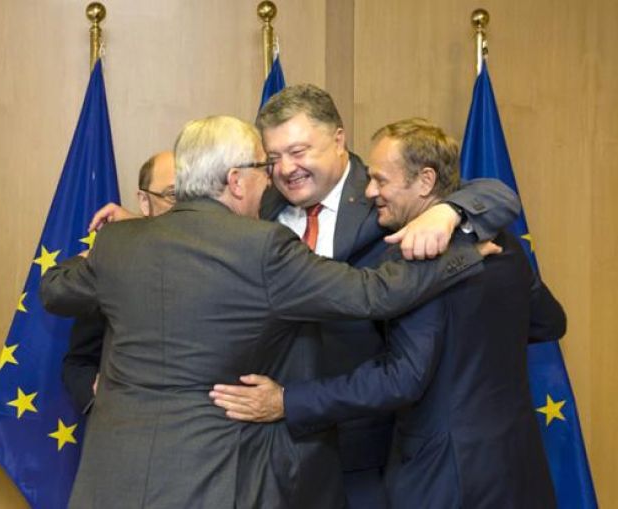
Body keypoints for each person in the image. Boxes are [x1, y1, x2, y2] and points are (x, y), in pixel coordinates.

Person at [39, 115, 493, 509]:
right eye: (263, 167)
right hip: (208, 479)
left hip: (111, 478)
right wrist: (459, 249)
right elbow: (373, 294)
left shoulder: (118, 243)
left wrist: (118, 247)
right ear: (236, 180)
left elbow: (55, 290)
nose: (271, 179)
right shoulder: (260, 247)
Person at [211, 118, 563, 508]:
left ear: (425, 182)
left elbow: (402, 378)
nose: (369, 191)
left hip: (445, 475)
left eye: (380, 180)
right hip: (515, 462)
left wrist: (287, 401)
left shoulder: (418, 258)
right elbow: (549, 321)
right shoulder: (503, 242)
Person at [63, 151, 176, 414]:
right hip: (126, 423)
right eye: (173, 195)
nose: (185, 208)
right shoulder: (115, 265)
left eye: (193, 196)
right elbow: (78, 363)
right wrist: (96, 392)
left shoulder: (225, 262)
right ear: (145, 202)